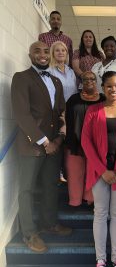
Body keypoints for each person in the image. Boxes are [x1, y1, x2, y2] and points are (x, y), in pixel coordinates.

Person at [11, 41, 72, 253]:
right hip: (32, 145)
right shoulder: (21, 78)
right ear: (30, 55)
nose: (43, 55)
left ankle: (49, 223)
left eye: (46, 51)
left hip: (54, 145)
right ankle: (29, 233)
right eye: (37, 51)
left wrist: (58, 140)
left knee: (50, 186)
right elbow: (21, 114)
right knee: (26, 189)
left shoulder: (56, 81)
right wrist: (45, 141)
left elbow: (61, 112)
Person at [81, 71, 116, 267]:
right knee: (100, 213)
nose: (113, 89)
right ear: (102, 88)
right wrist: (102, 169)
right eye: (109, 86)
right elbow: (85, 141)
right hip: (99, 172)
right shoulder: (93, 111)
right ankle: (100, 258)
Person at [65, 71, 105, 206]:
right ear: (81, 82)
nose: (89, 81)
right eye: (85, 79)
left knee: (93, 172)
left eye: (92, 79)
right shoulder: (73, 99)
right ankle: (75, 201)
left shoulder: (103, 99)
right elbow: (67, 120)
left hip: (95, 143)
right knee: (75, 173)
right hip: (75, 141)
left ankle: (90, 199)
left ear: (97, 81)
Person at [48, 41, 78, 182]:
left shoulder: (71, 71)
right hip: (57, 113)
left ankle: (67, 173)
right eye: (57, 50)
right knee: (58, 141)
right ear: (53, 53)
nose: (61, 53)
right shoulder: (49, 71)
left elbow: (74, 91)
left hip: (70, 112)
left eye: (63, 50)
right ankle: (58, 173)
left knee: (68, 143)